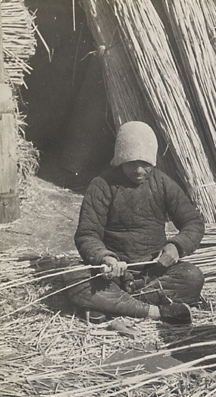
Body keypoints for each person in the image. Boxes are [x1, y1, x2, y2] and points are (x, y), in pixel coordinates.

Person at [64, 121, 205, 325]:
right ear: (120, 159)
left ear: (153, 161)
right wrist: (105, 259)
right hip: (111, 275)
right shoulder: (102, 185)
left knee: (192, 277)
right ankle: (156, 312)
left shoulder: (163, 184)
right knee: (75, 277)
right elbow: (87, 234)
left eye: (145, 163)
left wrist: (176, 246)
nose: (139, 170)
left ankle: (110, 306)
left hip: (153, 273)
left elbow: (194, 222)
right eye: (131, 163)